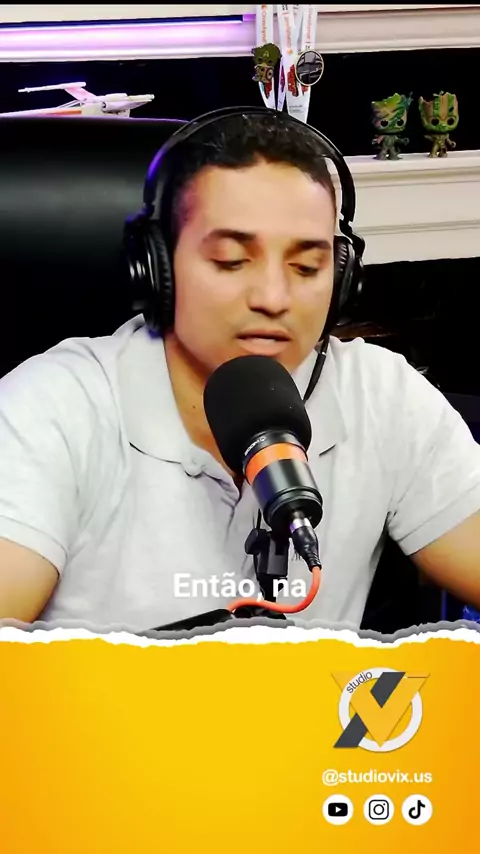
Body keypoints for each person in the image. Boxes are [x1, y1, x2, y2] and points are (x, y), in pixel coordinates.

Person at [0, 109, 480, 632]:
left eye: (306, 267)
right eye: (231, 261)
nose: (273, 298)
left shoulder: (381, 396)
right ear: (158, 269)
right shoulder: (52, 408)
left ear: (342, 279)